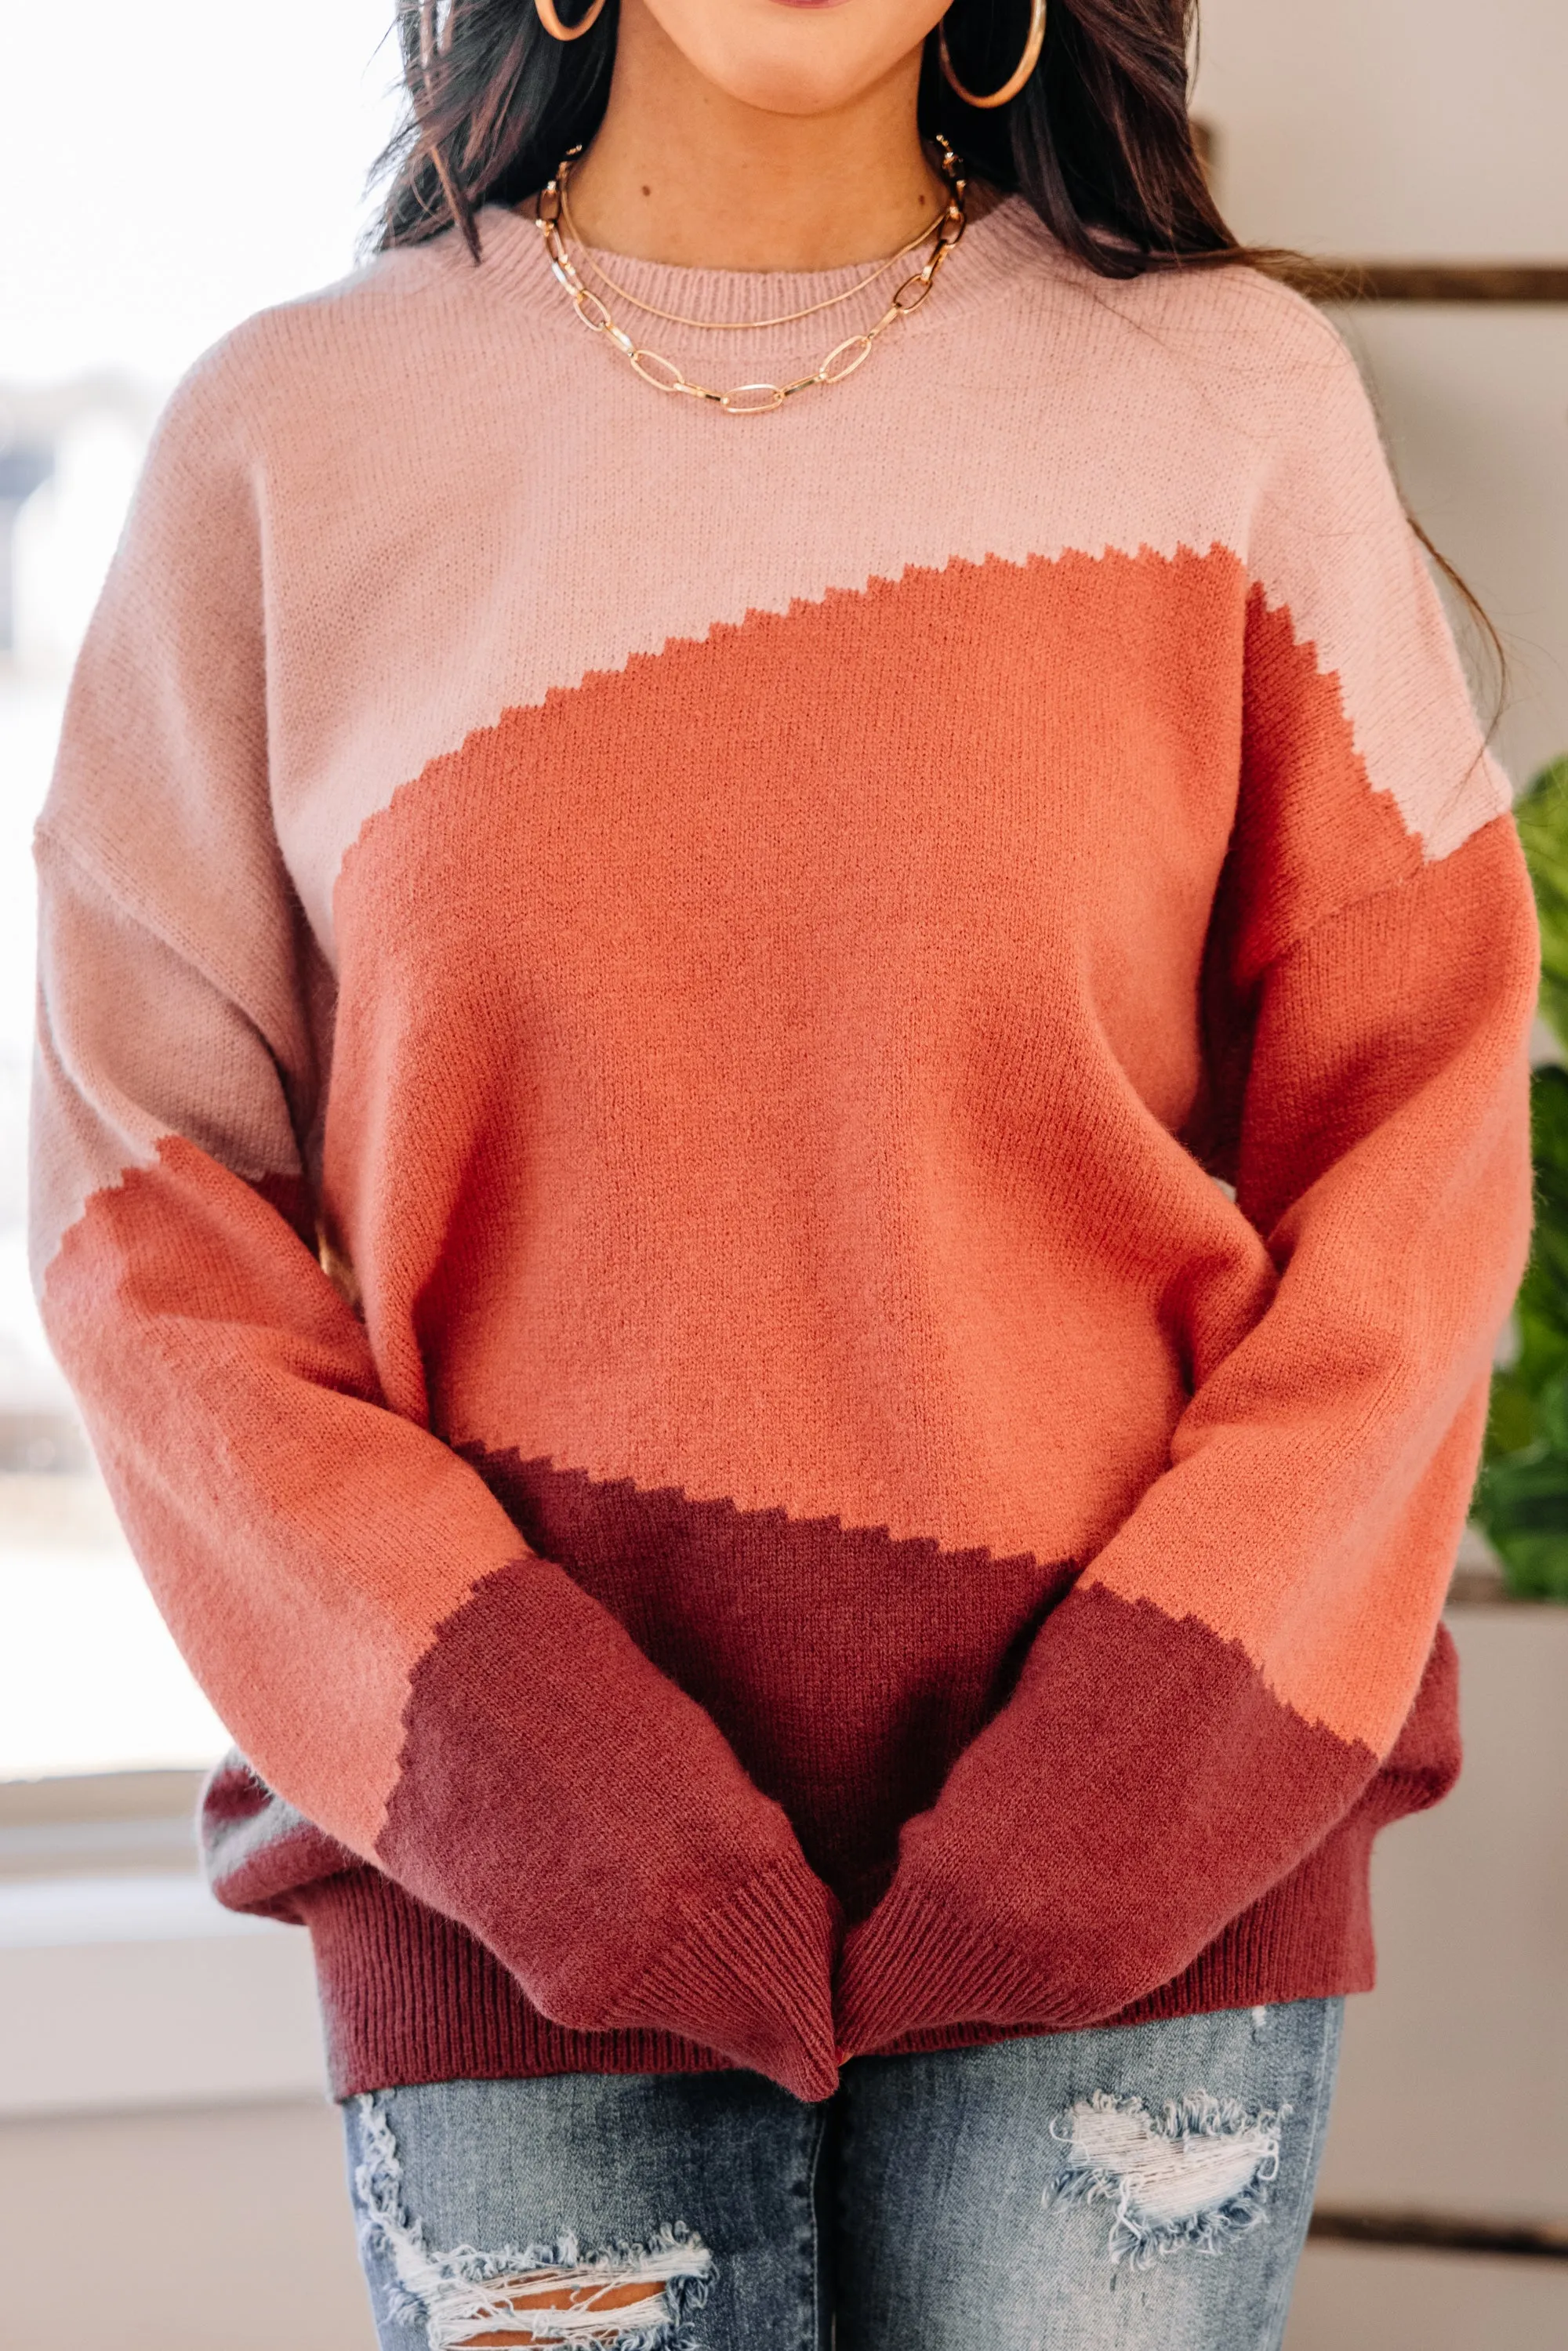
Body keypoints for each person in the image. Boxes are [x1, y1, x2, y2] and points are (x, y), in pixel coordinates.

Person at [31, 0, 1536, 2342]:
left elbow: (1416, 1160)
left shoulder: (1225, 409)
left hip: (1145, 1892)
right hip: (511, 1904)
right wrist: (538, 1784)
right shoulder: (286, 446)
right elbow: (145, 1215)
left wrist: (1139, 1777)